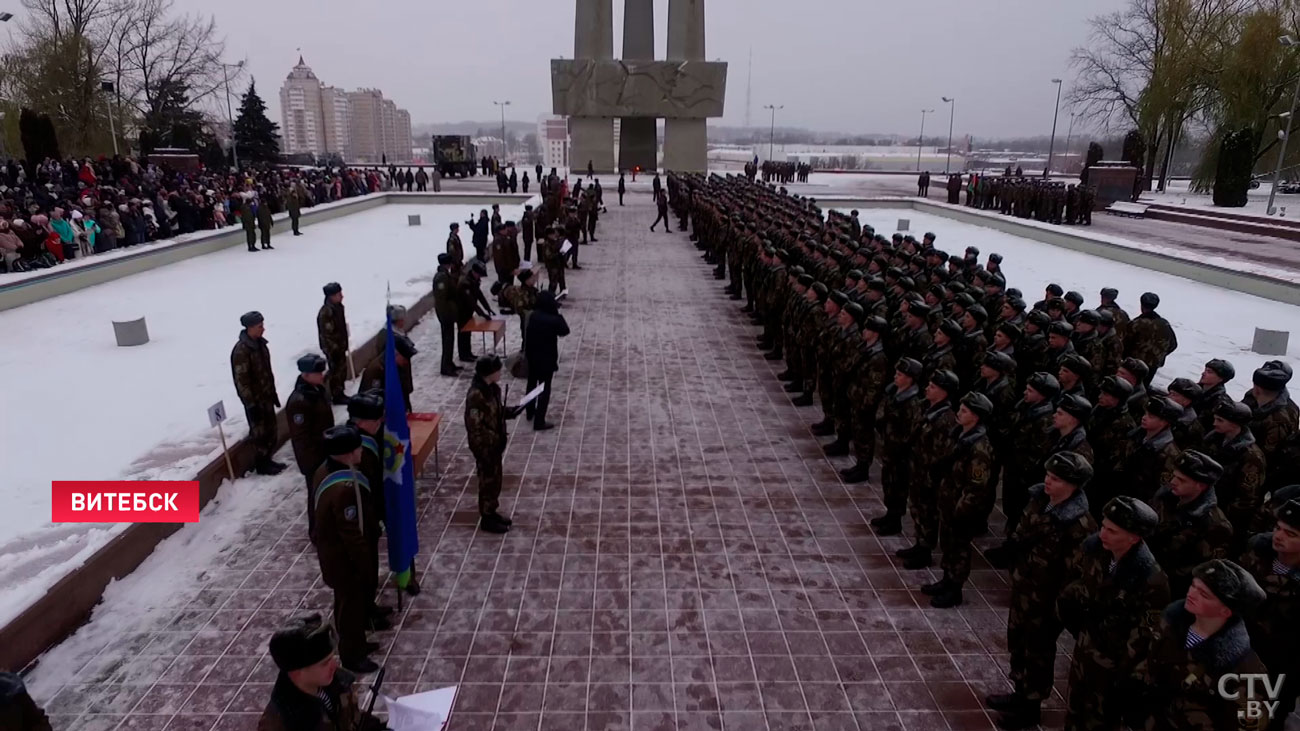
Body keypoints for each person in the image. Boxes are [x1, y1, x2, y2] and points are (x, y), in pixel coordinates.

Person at [989, 451, 1098, 729]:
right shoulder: (1039, 500)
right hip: (1025, 588)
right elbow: (1021, 533)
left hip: (1048, 601)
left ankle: (1031, 707)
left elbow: (1076, 575)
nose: (1048, 481)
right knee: (1018, 641)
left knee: (1038, 652)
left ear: (1073, 485)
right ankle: (1019, 692)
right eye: (1048, 475)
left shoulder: (1080, 525)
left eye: (1056, 479)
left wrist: (1059, 609)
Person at [1057, 496, 1170, 731]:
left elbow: (1146, 635)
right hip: (1086, 648)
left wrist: (1124, 675)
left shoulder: (1151, 580)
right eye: (1104, 526)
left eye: (1113, 531)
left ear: (1134, 537)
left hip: (1115, 665)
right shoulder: (1096, 551)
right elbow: (1076, 588)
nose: (1103, 534)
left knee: (1101, 720)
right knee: (1074, 710)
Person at [1138, 559, 1268, 730]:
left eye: (1204, 594)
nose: (1192, 593)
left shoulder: (1244, 669)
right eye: (1193, 586)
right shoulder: (1171, 625)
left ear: (1225, 611)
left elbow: (1247, 724)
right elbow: (1150, 662)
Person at [309, 426, 381, 674]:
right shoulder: (345, 489)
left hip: (336, 556)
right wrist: (366, 566)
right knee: (349, 607)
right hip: (344, 560)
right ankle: (352, 655)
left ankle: (357, 643)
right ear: (347, 454)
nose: (362, 451)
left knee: (348, 604)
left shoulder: (325, 469)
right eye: (358, 448)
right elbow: (351, 534)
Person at [926, 391, 996, 608]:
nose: (958, 413)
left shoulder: (979, 449)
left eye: (964, 411)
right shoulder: (960, 435)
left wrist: (961, 511)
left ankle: (955, 589)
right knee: (947, 543)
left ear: (975, 417)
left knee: (960, 549)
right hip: (949, 501)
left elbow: (977, 487)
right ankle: (947, 579)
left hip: (962, 508)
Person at [259, 614, 385, 731]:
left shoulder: (338, 684)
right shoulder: (279, 723)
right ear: (296, 673)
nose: (335, 665)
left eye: (332, 658)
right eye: (324, 663)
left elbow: (353, 719)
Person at [1239, 497, 1300, 730]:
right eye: (1277, 528)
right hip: (1239, 653)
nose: (1279, 536)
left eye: (1290, 534)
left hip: (1280, 669)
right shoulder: (1258, 554)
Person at [1148, 450, 1234, 599]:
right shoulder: (1165, 497)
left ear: (1200, 486)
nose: (1173, 482)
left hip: (1173, 589)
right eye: (1174, 476)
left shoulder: (1215, 525)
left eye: (1181, 480)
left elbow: (1200, 573)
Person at [465, 356, 525, 533]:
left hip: (495, 444)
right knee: (487, 481)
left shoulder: (492, 389)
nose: (500, 373)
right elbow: (475, 427)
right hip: (485, 447)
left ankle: (492, 511)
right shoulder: (476, 395)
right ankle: (487, 517)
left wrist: (510, 412)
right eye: (497, 370)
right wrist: (489, 442)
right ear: (489, 373)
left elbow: (494, 411)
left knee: (495, 480)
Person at [285, 354, 334, 537]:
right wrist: (310, 463)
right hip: (313, 457)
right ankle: (316, 532)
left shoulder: (315, 391)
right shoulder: (300, 401)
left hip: (324, 451)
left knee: (324, 492)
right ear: (306, 375)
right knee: (315, 495)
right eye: (317, 372)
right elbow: (301, 437)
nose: (322, 375)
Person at [231, 311, 286, 475]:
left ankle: (268, 459)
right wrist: (251, 403)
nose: (263, 329)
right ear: (250, 328)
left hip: (266, 396)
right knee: (260, 434)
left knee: (271, 430)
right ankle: (262, 464)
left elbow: (266, 372)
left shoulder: (260, 345)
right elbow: (242, 381)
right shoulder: (242, 351)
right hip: (255, 401)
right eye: (259, 326)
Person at [523, 291, 570, 431]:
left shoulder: (533, 316)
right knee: (544, 389)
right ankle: (539, 420)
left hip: (532, 357)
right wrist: (557, 313)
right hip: (546, 359)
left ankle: (529, 411)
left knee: (531, 384)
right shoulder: (553, 320)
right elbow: (565, 331)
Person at [317, 282, 350, 405]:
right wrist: (334, 349)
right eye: (338, 294)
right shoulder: (326, 312)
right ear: (331, 296)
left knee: (341, 370)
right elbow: (327, 335)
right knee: (335, 371)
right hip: (333, 348)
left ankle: (340, 392)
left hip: (340, 346)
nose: (342, 296)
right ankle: (336, 395)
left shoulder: (338, 307)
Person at [432, 254, 461, 377]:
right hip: (446, 314)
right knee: (447, 340)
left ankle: (449, 362)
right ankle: (445, 366)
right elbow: (441, 299)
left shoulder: (445, 275)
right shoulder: (441, 277)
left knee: (450, 339)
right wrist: (446, 315)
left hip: (448, 313)